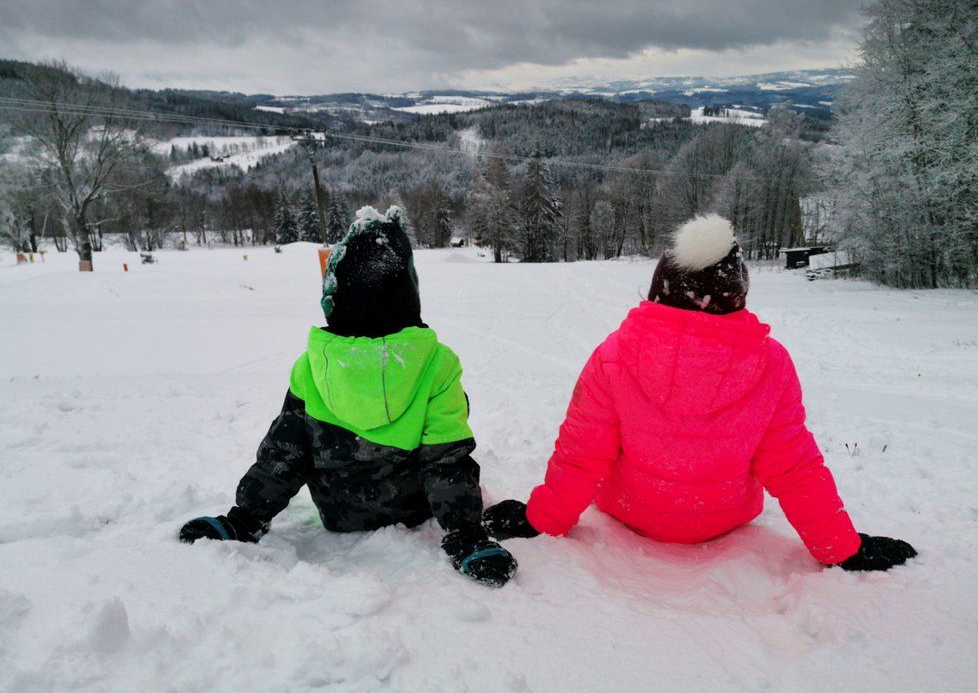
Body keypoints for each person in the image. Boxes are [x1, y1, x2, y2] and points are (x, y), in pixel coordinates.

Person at [484, 214, 916, 572]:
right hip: (723, 522)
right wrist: (843, 548)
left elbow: (582, 453)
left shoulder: (614, 354)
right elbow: (794, 467)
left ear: (661, 287)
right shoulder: (771, 363)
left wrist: (541, 520)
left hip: (628, 514)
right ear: (737, 294)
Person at [180, 207, 517, 587]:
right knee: (448, 421)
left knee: (300, 433)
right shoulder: (437, 364)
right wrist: (466, 534)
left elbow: (283, 454)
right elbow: (447, 460)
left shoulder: (312, 366)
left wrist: (244, 518)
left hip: (338, 513)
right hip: (412, 509)